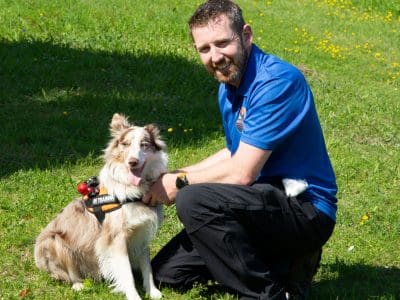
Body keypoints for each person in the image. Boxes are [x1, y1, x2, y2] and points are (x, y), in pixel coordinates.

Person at [142, 0, 337, 299]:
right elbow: (235, 153)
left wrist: (179, 184)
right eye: (204, 49)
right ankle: (284, 264)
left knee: (194, 200)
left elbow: (242, 173)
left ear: (246, 35)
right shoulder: (230, 85)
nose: (215, 57)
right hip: (260, 203)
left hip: (305, 210)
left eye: (222, 43)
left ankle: (269, 293)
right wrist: (176, 175)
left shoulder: (275, 83)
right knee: (166, 274)